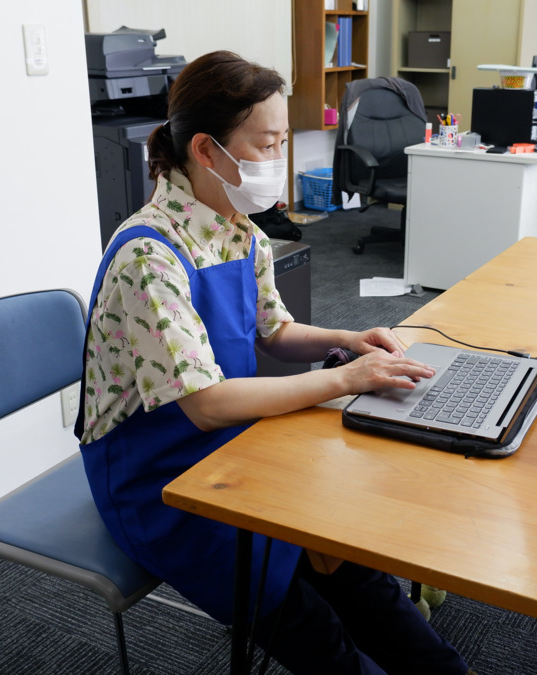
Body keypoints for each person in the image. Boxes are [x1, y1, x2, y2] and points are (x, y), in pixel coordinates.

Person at [75, 51, 470, 674]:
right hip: (159, 479)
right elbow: (205, 405)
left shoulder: (238, 228)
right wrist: (340, 378)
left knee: (352, 565)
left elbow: (275, 331)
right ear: (206, 150)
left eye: (282, 141)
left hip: (234, 444)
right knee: (302, 615)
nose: (278, 160)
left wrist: (349, 338)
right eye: (267, 143)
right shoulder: (150, 257)